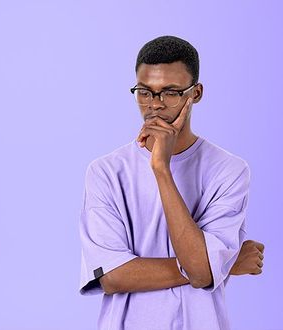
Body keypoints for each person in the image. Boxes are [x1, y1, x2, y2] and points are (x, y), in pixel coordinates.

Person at [78, 35, 265, 330]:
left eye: (170, 92)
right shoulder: (106, 171)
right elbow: (112, 276)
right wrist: (220, 264)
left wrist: (161, 169)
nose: (155, 105)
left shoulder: (229, 170)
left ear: (197, 93)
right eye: (145, 91)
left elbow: (202, 272)